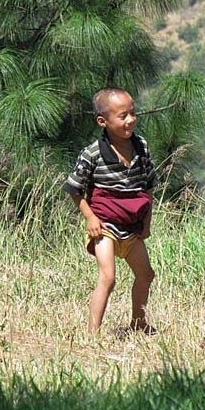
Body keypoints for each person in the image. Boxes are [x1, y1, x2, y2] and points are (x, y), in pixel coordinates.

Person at [63, 88, 158, 335]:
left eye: (133, 113)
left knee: (146, 274)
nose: (131, 120)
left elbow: (147, 188)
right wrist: (90, 218)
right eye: (123, 116)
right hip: (104, 226)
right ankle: (92, 334)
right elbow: (74, 189)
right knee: (108, 277)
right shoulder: (93, 153)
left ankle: (139, 322)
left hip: (131, 226)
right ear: (102, 122)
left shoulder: (141, 146)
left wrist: (146, 223)